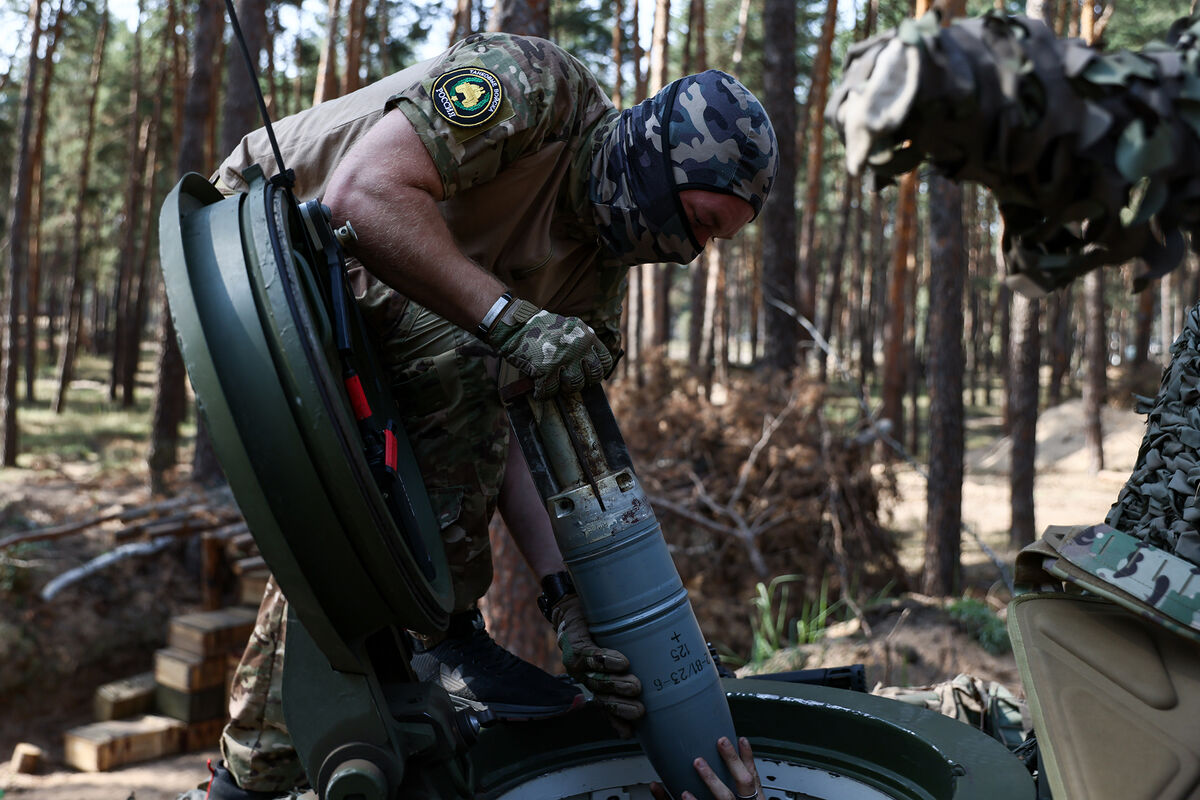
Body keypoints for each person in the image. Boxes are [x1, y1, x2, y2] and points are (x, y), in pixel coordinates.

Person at [204, 30, 776, 799]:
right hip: (252, 245)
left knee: (416, 444)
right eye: (701, 221)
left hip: (351, 307)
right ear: (655, 162)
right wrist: (513, 323)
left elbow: (519, 440)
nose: (691, 253)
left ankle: (270, 760)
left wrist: (567, 604)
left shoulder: (591, 293)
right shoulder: (540, 89)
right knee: (465, 353)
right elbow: (361, 195)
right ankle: (437, 640)